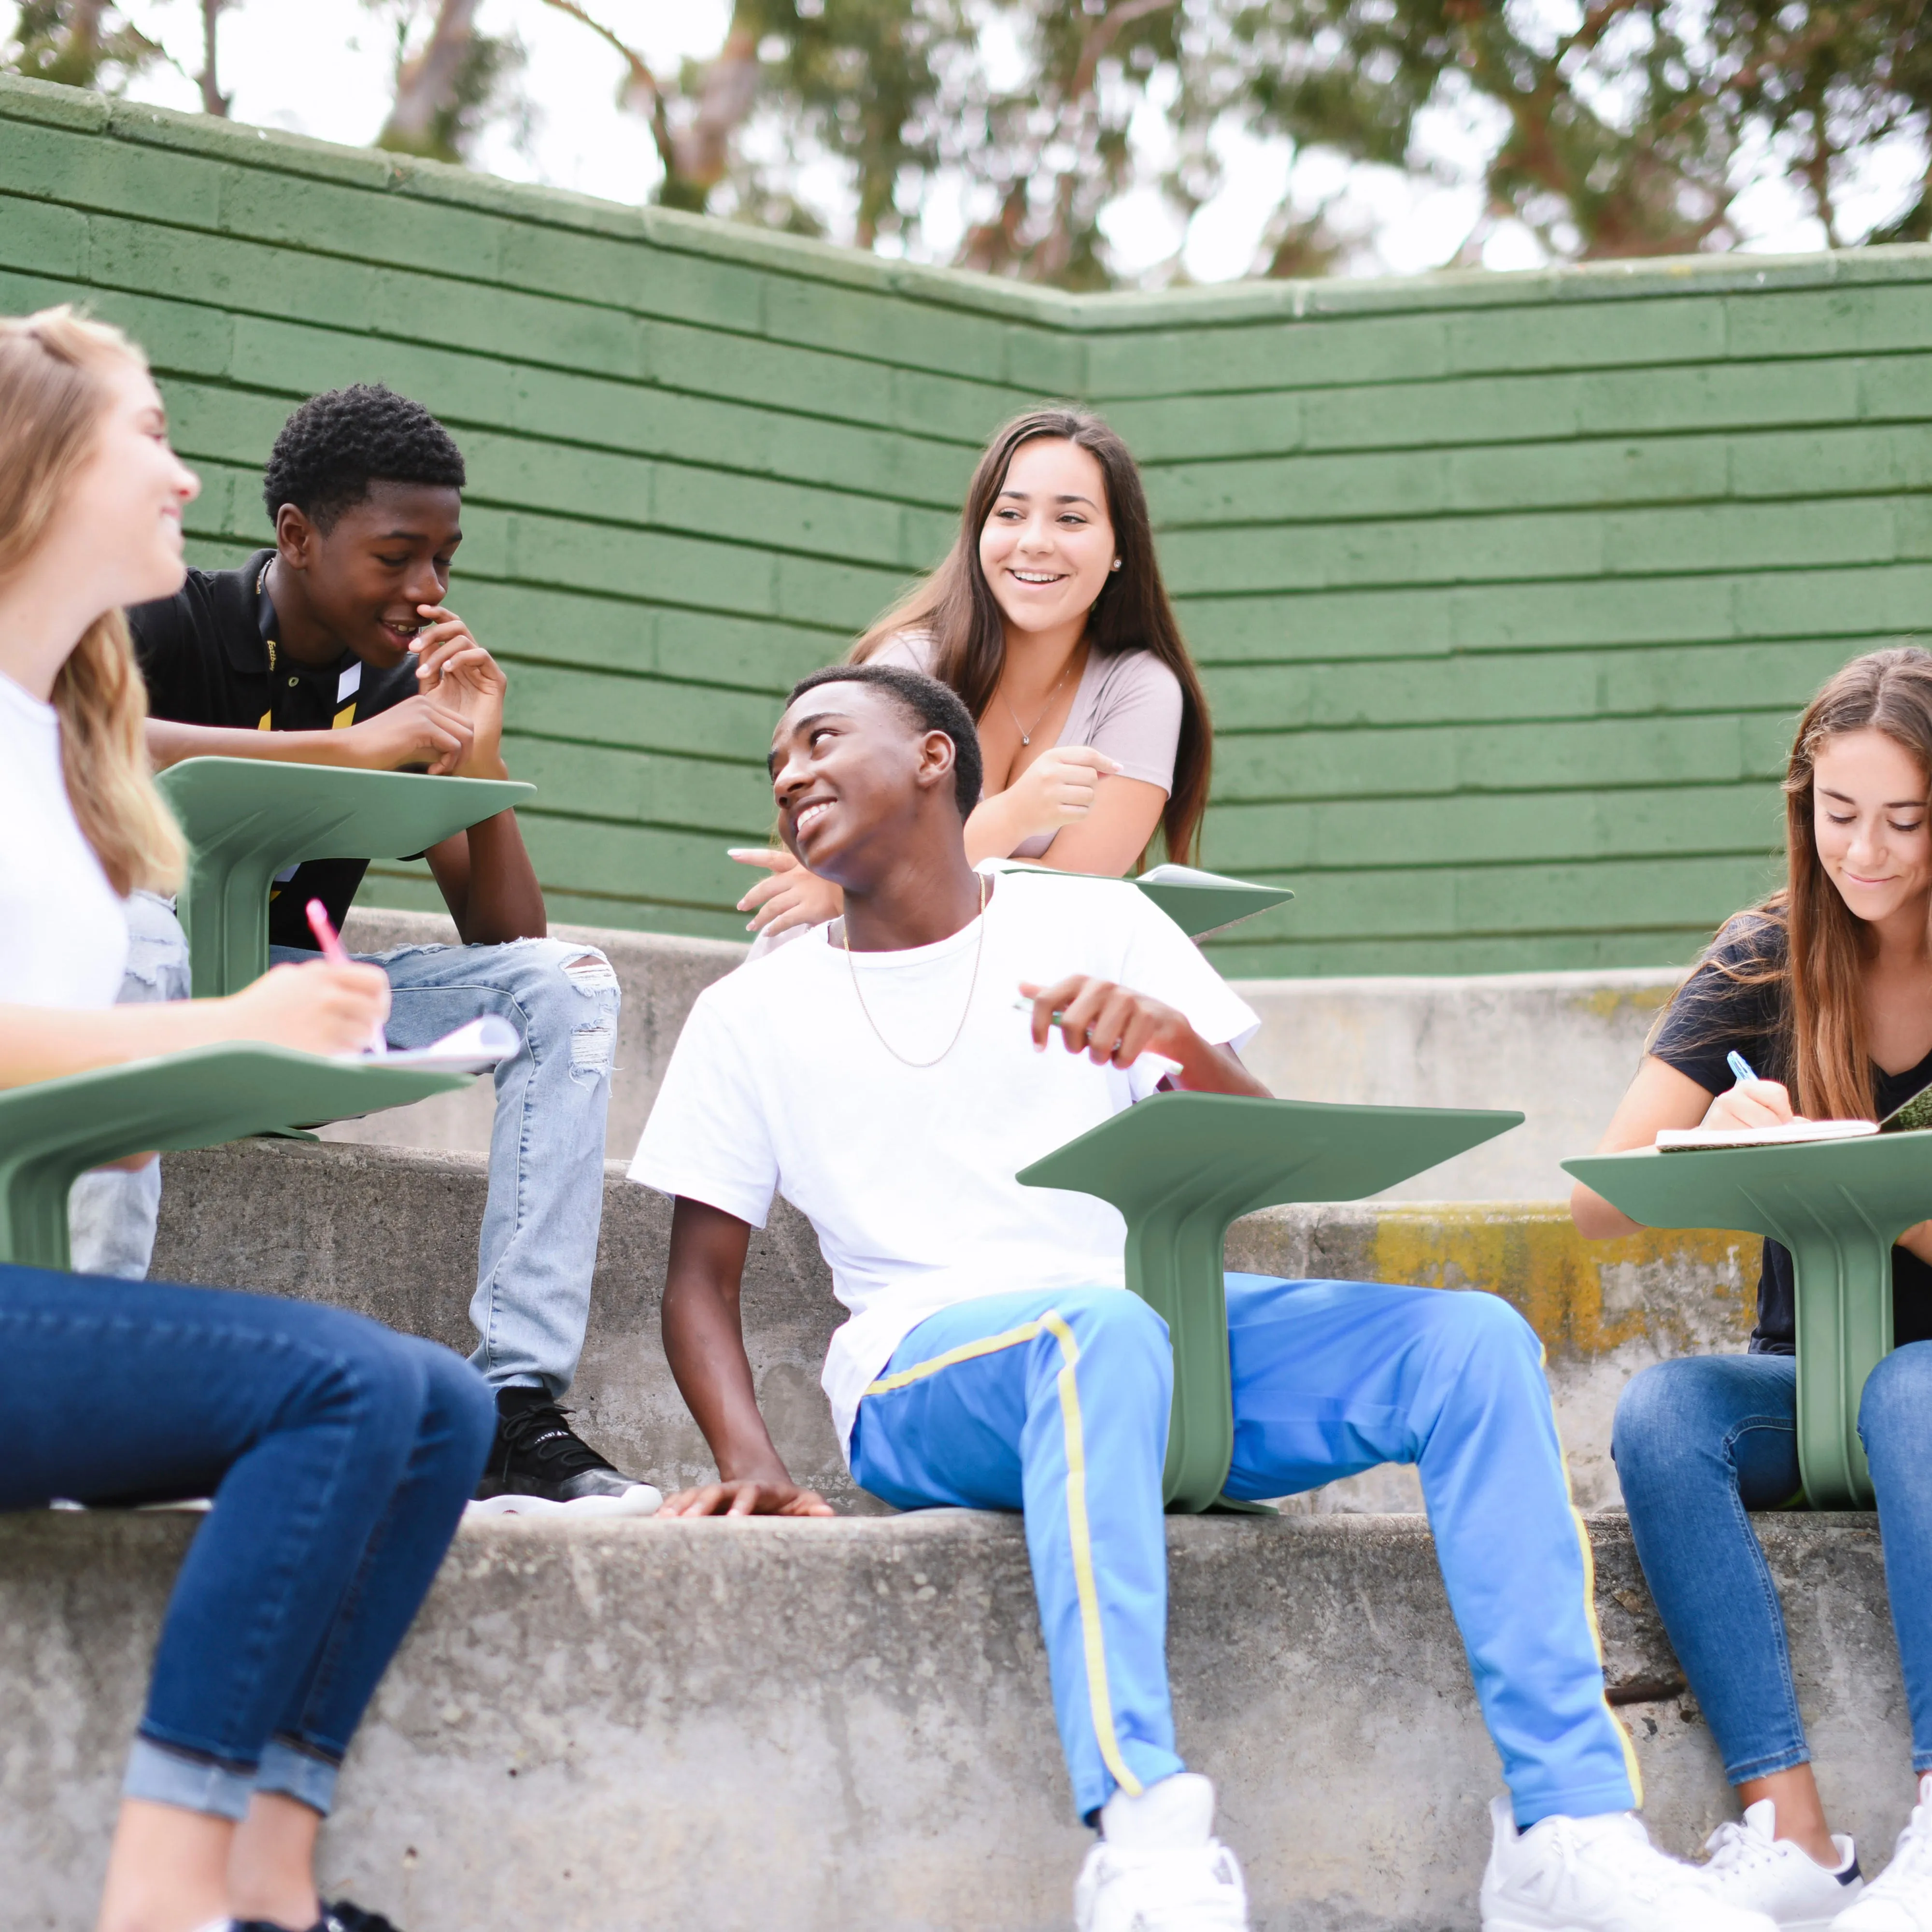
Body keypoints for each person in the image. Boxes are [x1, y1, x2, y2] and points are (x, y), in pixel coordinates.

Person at [630, 660, 1775, 1932]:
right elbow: (698, 1277)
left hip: (1146, 1339)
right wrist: (749, 1455)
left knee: (1470, 1343)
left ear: (934, 758)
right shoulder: (753, 1013)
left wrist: (1173, 1041)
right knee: (1098, 1331)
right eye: (776, 763)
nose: (790, 775)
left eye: (820, 740)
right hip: (927, 1377)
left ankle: (1570, 1829)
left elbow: (1263, 1156)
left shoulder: (1100, 926)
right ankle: (1145, 1832)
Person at [0, 305, 495, 1932]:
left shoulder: (65, 758)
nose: (190, 480)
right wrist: (230, 1024)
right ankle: (161, 1902)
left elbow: (86, 1106)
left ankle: (275, 1886)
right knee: (346, 1385)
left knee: (441, 1409)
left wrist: (240, 1067)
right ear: (39, 467)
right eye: (151, 437)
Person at [125, 381, 657, 1518]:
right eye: (398, 556)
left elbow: (506, 940)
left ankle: (515, 1407)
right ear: (297, 535)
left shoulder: (412, 683)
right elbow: (84, 743)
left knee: (565, 986)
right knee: (134, 933)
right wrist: (358, 749)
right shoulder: (171, 617)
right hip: (139, 1003)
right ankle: (84, 1367)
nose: (427, 591)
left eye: (445, 561)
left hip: (296, 1002)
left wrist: (475, 759)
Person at [1576, 647, 1932, 1932]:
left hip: (1925, 1388)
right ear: (1804, 807)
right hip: (1804, 1376)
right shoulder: (1768, 951)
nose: (1871, 853)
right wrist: (1729, 1135)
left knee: (1913, 1391)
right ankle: (1793, 1834)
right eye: (1842, 817)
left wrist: (1870, 1173)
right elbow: (1597, 1196)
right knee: (1665, 1415)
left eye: (1906, 819)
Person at [730, 406, 1212, 941]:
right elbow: (865, 871)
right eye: (1009, 514)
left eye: (1070, 519)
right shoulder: (907, 666)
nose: (1034, 542)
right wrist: (1015, 815)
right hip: (848, 973)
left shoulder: (1140, 688)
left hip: (1007, 984)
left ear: (1121, 546)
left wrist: (889, 872)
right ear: (978, 531)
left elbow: (1073, 898)